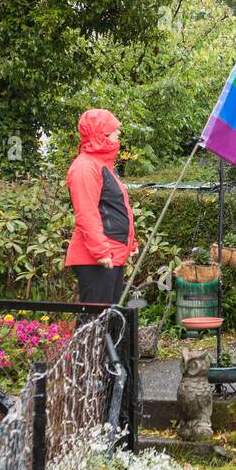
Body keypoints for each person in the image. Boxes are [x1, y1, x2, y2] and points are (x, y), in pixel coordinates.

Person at [65, 109, 138, 318]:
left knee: (110, 320)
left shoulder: (104, 165)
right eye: (115, 131)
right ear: (101, 135)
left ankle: (107, 353)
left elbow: (117, 207)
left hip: (112, 253)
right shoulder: (84, 167)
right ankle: (90, 353)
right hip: (97, 258)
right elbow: (86, 213)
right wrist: (101, 251)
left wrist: (130, 243)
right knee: (94, 322)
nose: (119, 135)